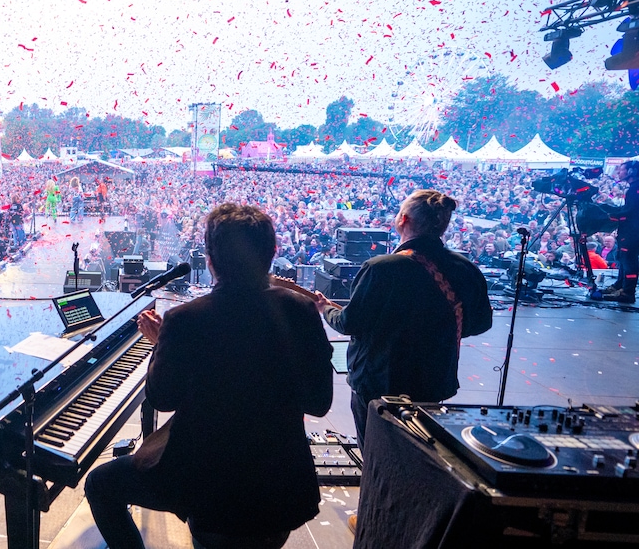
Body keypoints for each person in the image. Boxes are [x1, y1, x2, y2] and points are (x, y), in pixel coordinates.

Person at [85, 204, 332, 549]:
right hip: (280, 490)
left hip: (209, 493)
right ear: (272, 254)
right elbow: (319, 403)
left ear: (211, 260)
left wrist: (162, 345)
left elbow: (162, 398)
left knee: (100, 484)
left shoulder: (185, 320)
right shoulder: (302, 311)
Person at [313, 190, 493, 450]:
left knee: (376, 457)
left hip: (379, 382)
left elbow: (349, 323)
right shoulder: (465, 268)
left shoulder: (381, 268)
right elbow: (480, 322)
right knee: (419, 455)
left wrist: (325, 308)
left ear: (403, 219)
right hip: (432, 381)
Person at [603, 160, 639, 303]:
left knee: (629, 260)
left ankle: (627, 292)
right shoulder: (633, 188)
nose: (618, 172)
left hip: (633, 231)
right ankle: (620, 286)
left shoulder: (635, 189)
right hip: (630, 230)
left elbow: (631, 211)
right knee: (623, 258)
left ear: (631, 172)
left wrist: (609, 215)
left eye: (622, 169)